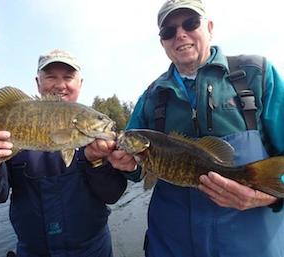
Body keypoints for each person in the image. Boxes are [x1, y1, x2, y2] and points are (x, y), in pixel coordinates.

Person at [109, 0, 284, 256]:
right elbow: (134, 170)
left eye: (190, 23)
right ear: (163, 42)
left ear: (209, 27)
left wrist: (271, 194)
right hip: (170, 247)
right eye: (168, 31)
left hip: (250, 246)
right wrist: (125, 164)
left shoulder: (256, 74)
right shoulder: (152, 96)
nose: (180, 34)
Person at [0, 49, 128, 257]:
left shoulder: (99, 139)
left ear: (80, 83)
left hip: (92, 250)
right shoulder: (4, 136)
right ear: (38, 83)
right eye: (51, 76)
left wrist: (95, 162)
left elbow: (113, 195)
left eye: (68, 77)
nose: (60, 85)